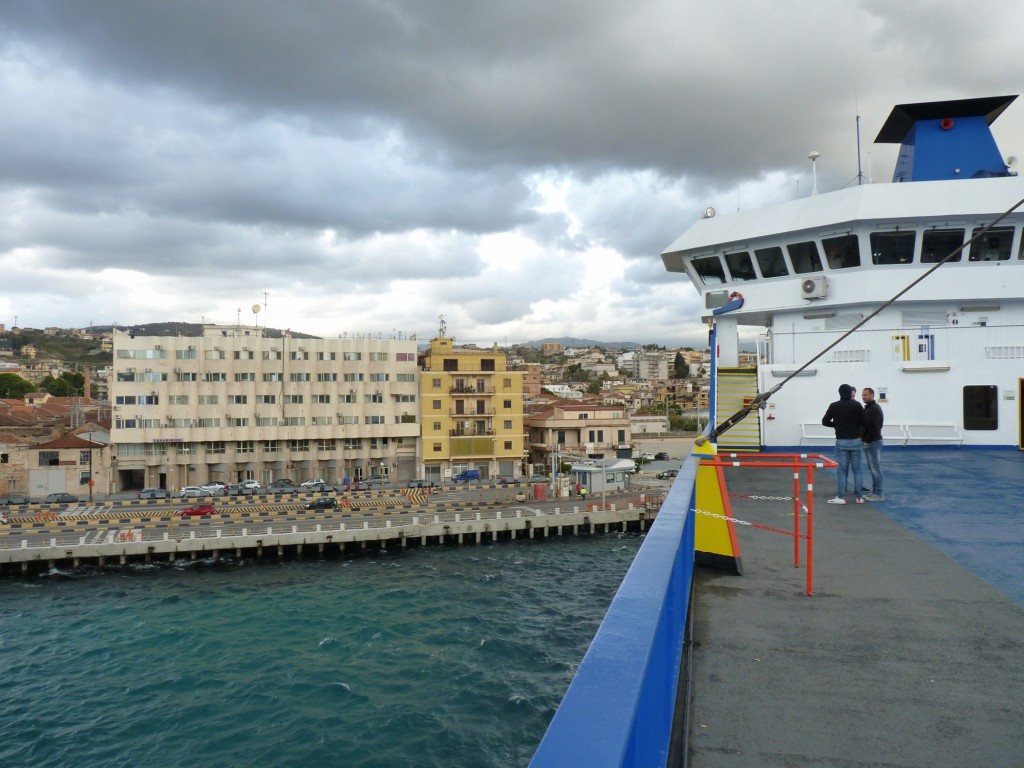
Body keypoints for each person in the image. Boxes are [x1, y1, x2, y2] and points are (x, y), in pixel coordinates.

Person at [821, 383, 865, 504]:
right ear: (851, 393)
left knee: (841, 470)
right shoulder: (857, 405)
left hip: (841, 441)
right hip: (856, 441)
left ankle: (841, 497)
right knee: (857, 470)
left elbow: (824, 421)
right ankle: (859, 497)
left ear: (839, 393)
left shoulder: (834, 406)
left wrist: (837, 424)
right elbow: (864, 421)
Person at [860, 387, 885, 501]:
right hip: (872, 441)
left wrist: (867, 440)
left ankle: (879, 494)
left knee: (875, 468)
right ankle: (875, 492)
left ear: (872, 395)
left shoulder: (873, 409)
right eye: (863, 395)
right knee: (873, 468)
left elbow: (875, 427)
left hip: (873, 442)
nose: (863, 397)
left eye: (866, 395)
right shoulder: (870, 408)